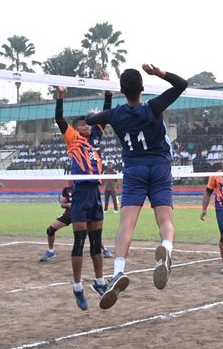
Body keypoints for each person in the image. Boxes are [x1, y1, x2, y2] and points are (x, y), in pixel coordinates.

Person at [88, 64, 188, 309]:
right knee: (165, 220)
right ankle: (166, 248)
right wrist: (159, 74)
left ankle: (118, 270)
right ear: (142, 88)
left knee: (127, 223)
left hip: (134, 170)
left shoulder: (115, 115)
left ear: (122, 91)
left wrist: (97, 110)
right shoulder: (153, 107)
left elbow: (90, 120)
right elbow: (182, 84)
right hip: (159, 166)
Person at [52, 85, 112, 309]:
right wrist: (60, 97)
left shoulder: (94, 139)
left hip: (95, 193)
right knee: (80, 241)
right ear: (75, 129)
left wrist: (107, 92)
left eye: (88, 124)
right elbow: (59, 119)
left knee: (96, 241)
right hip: (80, 193)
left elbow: (105, 116)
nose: (87, 126)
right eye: (83, 124)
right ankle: (77, 287)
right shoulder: (73, 138)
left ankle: (99, 282)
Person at [40, 183, 74, 261]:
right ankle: (51, 252)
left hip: (81, 216)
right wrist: (69, 205)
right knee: (50, 230)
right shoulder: (67, 189)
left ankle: (102, 249)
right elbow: (63, 204)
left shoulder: (84, 188)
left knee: (91, 232)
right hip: (68, 215)